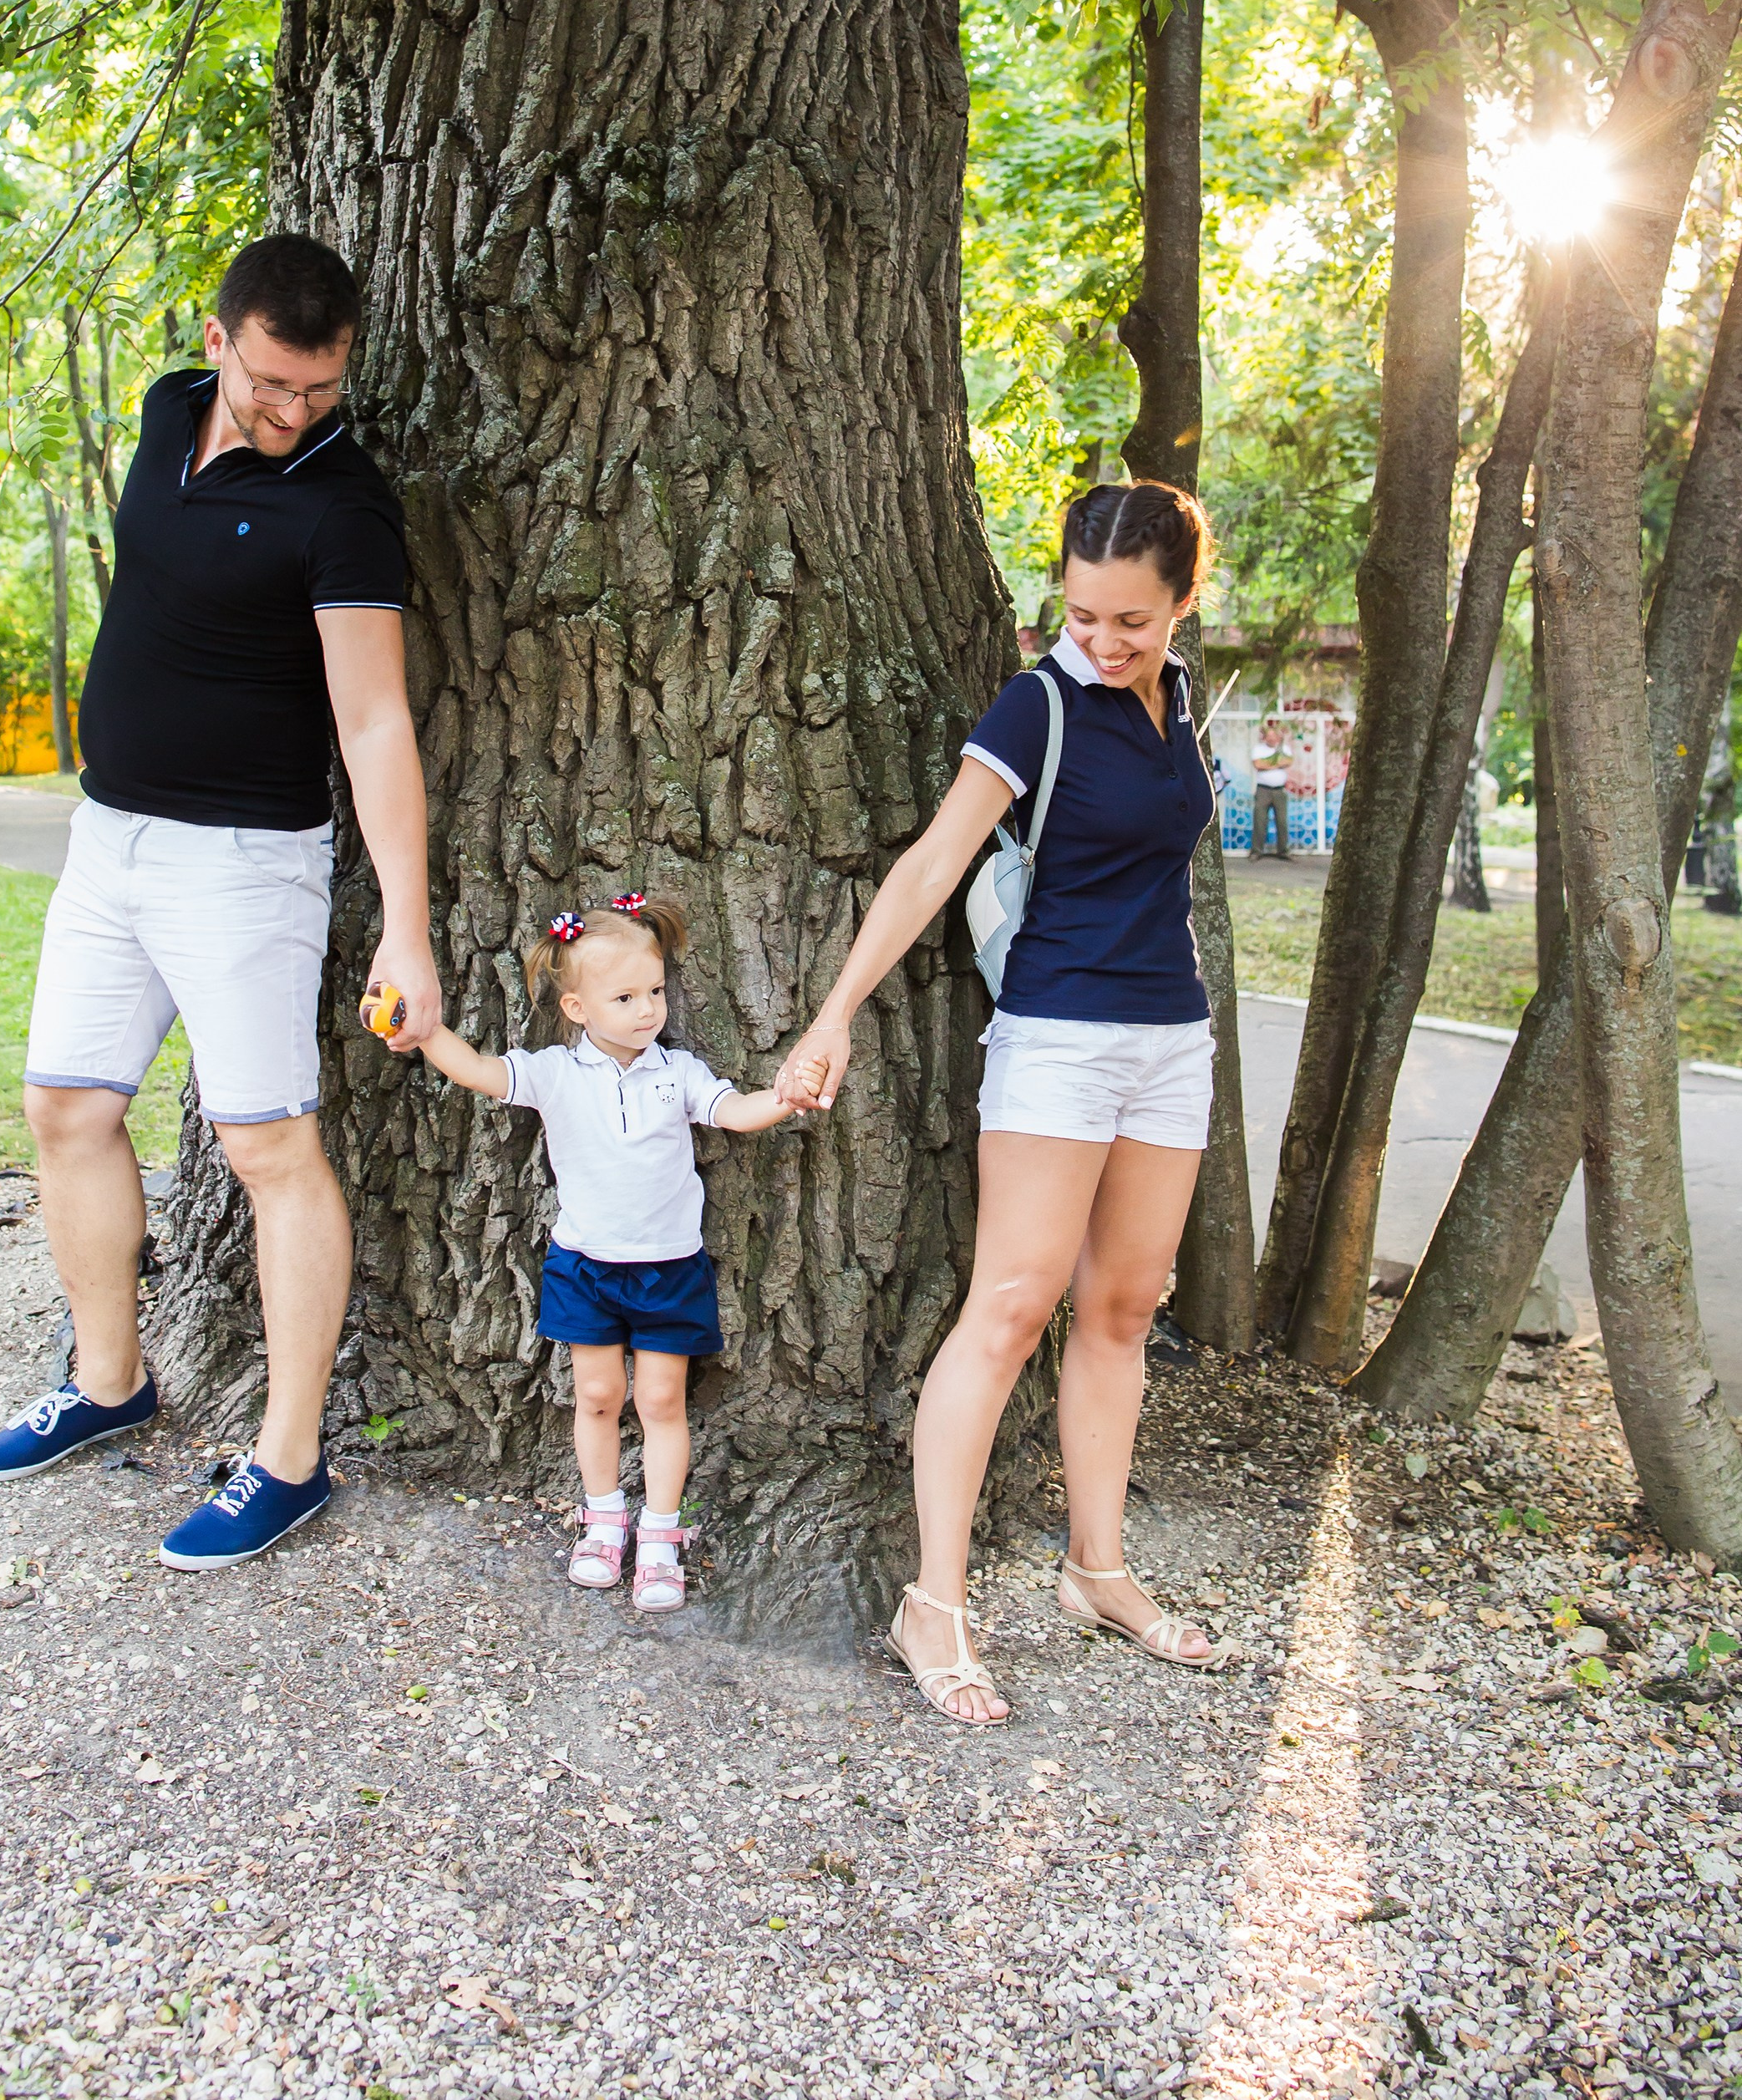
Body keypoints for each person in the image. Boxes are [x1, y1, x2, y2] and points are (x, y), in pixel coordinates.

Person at [0, 232, 442, 1569]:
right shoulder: (169, 405)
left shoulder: (342, 504)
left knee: (268, 1151)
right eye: (272, 382)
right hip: (108, 842)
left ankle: (289, 1459)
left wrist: (405, 924)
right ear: (219, 337)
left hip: (245, 866)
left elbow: (374, 718)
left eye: (320, 388)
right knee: (66, 1105)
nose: (293, 411)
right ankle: (108, 1380)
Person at [776, 481, 1229, 1724]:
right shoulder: (1036, 703)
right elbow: (934, 859)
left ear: (1182, 600)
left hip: (1167, 1039)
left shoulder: (1178, 698)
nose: (1102, 638)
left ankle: (1098, 1571)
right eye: (1081, 612)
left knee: (1125, 1307)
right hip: (1057, 1039)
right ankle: (934, 1601)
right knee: (1013, 1303)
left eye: (1131, 618)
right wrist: (834, 1011)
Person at [395, 893, 825, 1612]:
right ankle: (602, 1522)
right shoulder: (555, 1074)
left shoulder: (677, 1073)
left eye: (655, 991)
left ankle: (660, 1536)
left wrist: (786, 1095)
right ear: (577, 1008)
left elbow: (736, 1113)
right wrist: (424, 1030)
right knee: (596, 1397)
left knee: (660, 1400)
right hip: (586, 1266)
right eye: (625, 996)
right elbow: (476, 1071)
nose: (647, 1009)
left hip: (668, 1266)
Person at [1249, 730, 1291, 858]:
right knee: (1260, 821)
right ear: (1265, 738)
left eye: (1274, 736)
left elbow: (1288, 762)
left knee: (1282, 821)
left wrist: (1268, 764)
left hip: (1279, 790)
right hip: (1263, 790)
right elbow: (1257, 764)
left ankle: (1283, 850)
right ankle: (1257, 851)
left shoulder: (1284, 748)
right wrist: (1276, 764)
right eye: (1269, 736)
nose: (1271, 739)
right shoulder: (1259, 749)